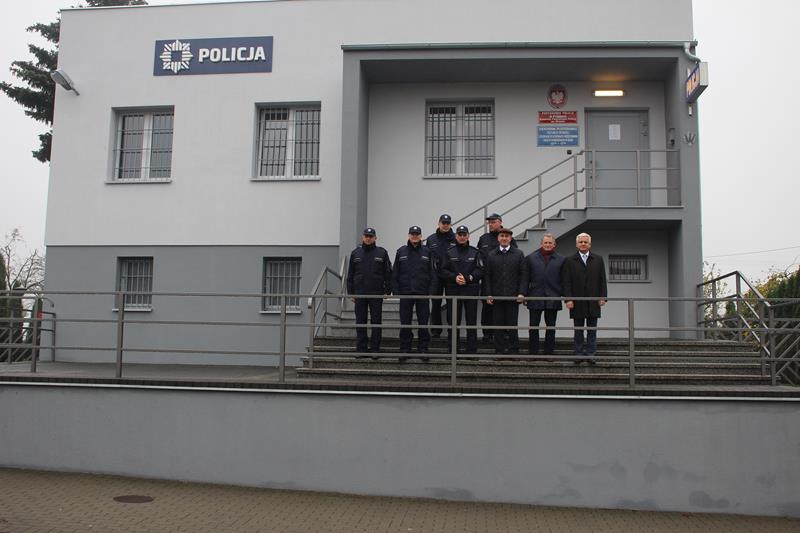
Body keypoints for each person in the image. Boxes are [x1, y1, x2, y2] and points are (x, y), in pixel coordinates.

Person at [561, 232, 607, 364]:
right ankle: (579, 354)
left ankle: (591, 354)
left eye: (585, 242)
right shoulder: (569, 260)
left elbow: (602, 280)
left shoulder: (598, 259)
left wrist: (603, 297)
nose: (583, 244)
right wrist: (568, 299)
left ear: (590, 244)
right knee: (578, 330)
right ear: (576, 244)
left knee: (592, 330)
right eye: (580, 242)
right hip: (577, 301)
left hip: (593, 301)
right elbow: (566, 281)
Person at [346, 227, 392, 356]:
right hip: (360, 293)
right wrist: (351, 292)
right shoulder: (355, 253)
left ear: (375, 238)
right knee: (360, 321)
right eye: (366, 236)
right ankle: (361, 348)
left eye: (371, 236)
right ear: (363, 237)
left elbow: (388, 273)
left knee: (376, 321)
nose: (368, 238)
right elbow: (350, 275)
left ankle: (375, 349)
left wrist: (388, 290)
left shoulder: (382, 253)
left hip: (376, 293)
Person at [392, 226, 436, 359]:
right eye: (413, 234)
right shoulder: (401, 252)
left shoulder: (427, 252)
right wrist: (396, 291)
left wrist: (431, 291)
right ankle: (405, 349)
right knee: (405, 323)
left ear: (421, 236)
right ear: (408, 235)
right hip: (406, 293)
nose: (415, 236)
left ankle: (423, 349)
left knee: (423, 323)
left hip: (423, 293)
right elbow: (395, 273)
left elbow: (433, 273)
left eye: (417, 234)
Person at [440, 225, 484, 353]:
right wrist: (454, 278)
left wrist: (469, 278)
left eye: (464, 235)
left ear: (468, 236)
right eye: (460, 234)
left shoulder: (475, 252)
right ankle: (453, 350)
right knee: (453, 322)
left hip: (470, 291)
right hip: (453, 291)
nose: (462, 237)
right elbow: (442, 270)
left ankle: (472, 351)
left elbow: (480, 270)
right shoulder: (449, 252)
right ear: (456, 236)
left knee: (471, 322)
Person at [483, 227, 527, 355]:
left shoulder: (518, 254)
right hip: (497, 297)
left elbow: (523, 275)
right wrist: (488, 293)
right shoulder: (491, 255)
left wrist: (522, 292)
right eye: (502, 236)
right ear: (498, 238)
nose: (504, 238)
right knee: (498, 326)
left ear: (510, 238)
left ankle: (514, 350)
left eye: (506, 236)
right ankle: (499, 350)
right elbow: (487, 276)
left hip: (513, 297)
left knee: (512, 325)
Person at [524, 233, 565, 358]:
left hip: (553, 297)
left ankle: (549, 353)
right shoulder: (531, 258)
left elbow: (564, 279)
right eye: (545, 243)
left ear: (554, 244)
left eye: (550, 243)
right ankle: (533, 353)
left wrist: (563, 294)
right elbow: (525, 278)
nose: (547, 245)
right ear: (541, 244)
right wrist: (524, 294)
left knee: (551, 327)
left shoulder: (561, 259)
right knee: (533, 326)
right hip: (535, 296)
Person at [477, 213, 517, 342]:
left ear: (500, 222)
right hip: (488, 279)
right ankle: (487, 333)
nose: (491, 224)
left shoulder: (509, 238)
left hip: (504, 280)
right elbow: (479, 258)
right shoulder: (483, 239)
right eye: (489, 222)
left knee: (504, 308)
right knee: (487, 307)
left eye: (493, 222)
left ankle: (504, 332)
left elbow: (514, 257)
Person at [425, 214, 456, 338]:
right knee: (436, 303)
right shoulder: (431, 239)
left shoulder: (456, 238)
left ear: (450, 224)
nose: (445, 225)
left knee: (451, 304)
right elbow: (427, 259)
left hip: (450, 276)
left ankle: (451, 330)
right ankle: (436, 331)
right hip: (435, 276)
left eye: (447, 223)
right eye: (443, 223)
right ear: (438, 223)